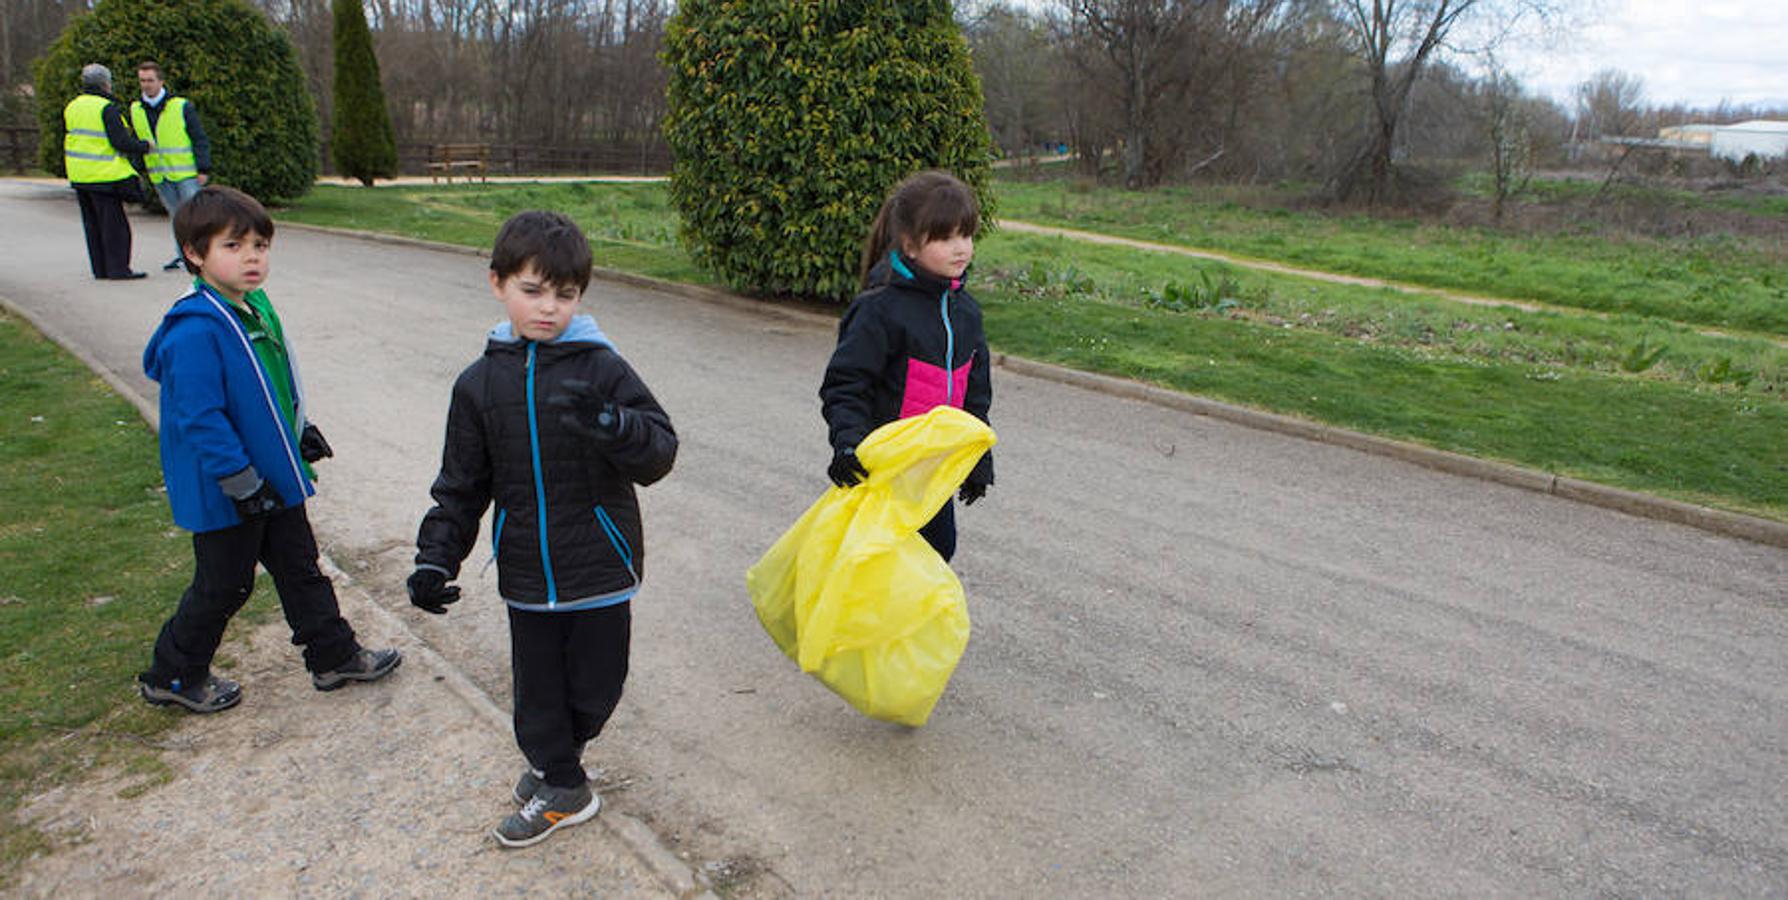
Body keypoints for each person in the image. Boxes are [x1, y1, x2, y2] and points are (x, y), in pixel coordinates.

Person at [406, 210, 677, 848]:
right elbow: (461, 484)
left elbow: (660, 452)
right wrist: (434, 559)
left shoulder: (602, 369)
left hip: (601, 569)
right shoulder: (478, 385)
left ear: (580, 295)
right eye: (532, 290)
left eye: (565, 294)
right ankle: (562, 781)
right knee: (536, 693)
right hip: (527, 574)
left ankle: (560, 759)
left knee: (595, 688)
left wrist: (614, 425)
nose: (548, 307)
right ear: (498, 283)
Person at [138, 185, 401, 714]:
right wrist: (240, 481)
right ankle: (172, 672)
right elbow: (200, 417)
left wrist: (299, 428)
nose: (252, 257)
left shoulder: (251, 308)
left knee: (301, 565)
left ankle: (332, 654)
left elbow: (269, 387)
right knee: (225, 584)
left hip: (271, 478)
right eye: (233, 247)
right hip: (229, 488)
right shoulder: (195, 330)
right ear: (195, 254)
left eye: (260, 245)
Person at [820, 170, 995, 561]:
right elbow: (846, 385)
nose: (960, 248)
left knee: (937, 550)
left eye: (965, 235)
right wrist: (848, 442)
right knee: (874, 558)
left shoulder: (966, 313)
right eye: (945, 237)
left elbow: (975, 396)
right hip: (882, 471)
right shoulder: (879, 310)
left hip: (930, 473)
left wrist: (977, 456)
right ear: (910, 244)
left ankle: (902, 624)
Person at [63, 63, 151, 280]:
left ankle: (100, 269)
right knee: (114, 226)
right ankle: (118, 269)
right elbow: (120, 142)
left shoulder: (73, 106)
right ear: (105, 83)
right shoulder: (106, 108)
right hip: (104, 174)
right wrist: (144, 146)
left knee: (92, 225)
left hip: (79, 174)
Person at [131, 60, 212, 272]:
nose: (146, 85)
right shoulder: (136, 109)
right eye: (142, 81)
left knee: (194, 216)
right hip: (159, 174)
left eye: (150, 80)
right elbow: (138, 140)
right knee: (176, 217)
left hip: (185, 172)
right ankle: (183, 256)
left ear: (161, 81)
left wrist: (203, 168)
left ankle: (204, 256)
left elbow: (199, 138)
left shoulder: (180, 106)